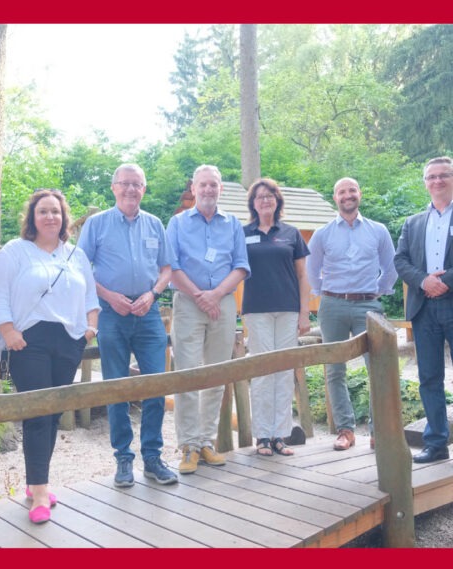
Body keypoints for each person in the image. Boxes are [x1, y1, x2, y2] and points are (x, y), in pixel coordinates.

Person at [0, 189, 100, 521]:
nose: (50, 217)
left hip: (68, 341)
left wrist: (89, 329)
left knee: (52, 416)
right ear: (32, 217)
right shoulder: (14, 252)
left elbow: (91, 297)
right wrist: (8, 332)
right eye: (43, 211)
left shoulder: (75, 255)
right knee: (37, 414)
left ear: (64, 218)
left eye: (56, 212)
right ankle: (39, 494)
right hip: (28, 342)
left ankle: (36, 481)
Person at [78, 163, 177, 488]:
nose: (131, 190)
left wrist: (152, 294)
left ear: (143, 189)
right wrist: (108, 295)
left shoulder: (154, 224)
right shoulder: (97, 224)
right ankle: (123, 458)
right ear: (114, 187)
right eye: (125, 184)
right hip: (111, 312)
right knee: (116, 386)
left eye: (137, 184)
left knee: (156, 386)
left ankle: (152, 456)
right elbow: (80, 268)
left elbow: (166, 269)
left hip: (148, 313)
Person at [166, 164, 250, 474]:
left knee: (216, 375)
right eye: (203, 185)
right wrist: (201, 296)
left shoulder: (233, 224)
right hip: (188, 303)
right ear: (194, 188)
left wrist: (215, 296)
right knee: (187, 375)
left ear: (221, 189)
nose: (208, 190)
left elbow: (241, 266)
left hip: (224, 304)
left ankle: (206, 442)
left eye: (213, 185)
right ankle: (188, 445)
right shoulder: (176, 223)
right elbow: (171, 266)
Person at [307, 177, 397, 451]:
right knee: (335, 370)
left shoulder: (378, 230)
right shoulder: (322, 233)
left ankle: (376, 431)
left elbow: (390, 267)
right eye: (341, 192)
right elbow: (312, 270)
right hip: (332, 306)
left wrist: (376, 292)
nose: (347, 195)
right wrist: (326, 293)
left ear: (359, 194)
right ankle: (345, 430)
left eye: (352, 190)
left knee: (377, 368)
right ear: (335, 198)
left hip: (368, 306)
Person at [242, 178, 311, 457]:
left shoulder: (292, 233)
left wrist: (304, 312)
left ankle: (280, 435)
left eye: (270, 195)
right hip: (256, 309)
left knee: (283, 371)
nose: (265, 199)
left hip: (288, 309)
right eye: (259, 196)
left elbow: (303, 275)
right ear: (253, 203)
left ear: (277, 200)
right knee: (262, 371)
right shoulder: (242, 232)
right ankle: (262, 436)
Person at [394, 156, 453, 463]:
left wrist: (446, 282)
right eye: (431, 177)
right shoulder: (414, 222)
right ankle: (436, 444)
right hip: (424, 309)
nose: (437, 181)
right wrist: (424, 282)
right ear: (425, 182)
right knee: (429, 378)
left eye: (444, 175)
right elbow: (400, 260)